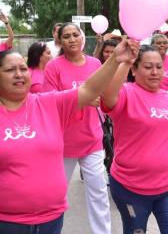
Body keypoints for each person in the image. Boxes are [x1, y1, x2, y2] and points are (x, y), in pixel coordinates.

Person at [0, 40, 138, 234]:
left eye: (23, 68)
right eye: (9, 70)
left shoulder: (49, 104)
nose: (19, 74)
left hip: (51, 219)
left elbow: (89, 89)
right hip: (7, 223)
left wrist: (115, 59)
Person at [100, 44, 168, 234]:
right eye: (147, 67)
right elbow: (107, 97)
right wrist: (124, 62)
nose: (155, 72)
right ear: (134, 69)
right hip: (130, 188)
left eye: (159, 66)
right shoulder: (126, 93)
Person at [42, 22, 111, 234]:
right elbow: (49, 102)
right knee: (55, 195)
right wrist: (80, 99)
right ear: (59, 41)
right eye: (67, 36)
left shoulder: (95, 63)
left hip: (92, 139)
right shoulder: (53, 67)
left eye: (75, 34)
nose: (72, 39)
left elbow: (106, 92)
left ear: (82, 38)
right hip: (63, 143)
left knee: (98, 192)